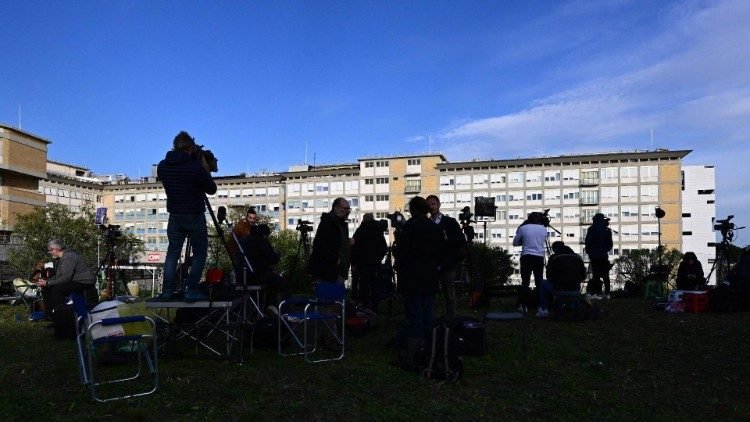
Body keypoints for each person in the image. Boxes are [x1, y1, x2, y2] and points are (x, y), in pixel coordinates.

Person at [154, 131, 217, 302]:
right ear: (190, 147)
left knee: (172, 253)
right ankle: (192, 290)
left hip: (175, 216)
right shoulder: (195, 167)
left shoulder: (163, 166)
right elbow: (211, 189)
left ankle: (167, 291)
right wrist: (203, 166)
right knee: (200, 253)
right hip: (194, 215)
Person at [394, 196, 445, 355]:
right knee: (428, 312)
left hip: (412, 277)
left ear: (413, 209)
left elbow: (402, 252)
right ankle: (431, 345)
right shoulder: (435, 227)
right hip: (430, 277)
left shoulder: (409, 226)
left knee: (415, 313)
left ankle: (415, 349)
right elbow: (440, 252)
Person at [426, 195, 466, 318]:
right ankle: (431, 318)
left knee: (449, 292)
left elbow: (461, 240)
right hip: (431, 263)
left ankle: (451, 317)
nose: (431, 207)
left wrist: (446, 240)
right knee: (430, 293)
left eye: (433, 204)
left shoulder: (450, 222)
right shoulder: (426, 224)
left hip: (448, 263)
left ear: (439, 205)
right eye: (429, 205)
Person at [237, 221, 291, 314]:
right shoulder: (262, 240)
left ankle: (270, 307)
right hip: (258, 275)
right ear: (266, 234)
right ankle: (285, 313)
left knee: (271, 281)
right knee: (285, 284)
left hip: (243, 276)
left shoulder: (244, 240)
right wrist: (277, 255)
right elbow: (273, 259)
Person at [35, 240, 96, 313]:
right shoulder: (61, 259)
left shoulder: (69, 257)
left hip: (85, 281)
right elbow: (59, 276)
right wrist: (46, 282)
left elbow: (66, 278)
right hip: (76, 280)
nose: (49, 253)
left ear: (55, 250)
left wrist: (48, 283)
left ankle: (60, 313)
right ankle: (50, 314)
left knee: (58, 289)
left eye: (49, 250)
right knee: (47, 288)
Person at [308, 197, 352, 284]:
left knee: (336, 295)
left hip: (338, 271)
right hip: (327, 271)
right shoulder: (328, 223)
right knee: (327, 295)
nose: (347, 212)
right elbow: (320, 246)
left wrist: (347, 242)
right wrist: (336, 259)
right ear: (336, 208)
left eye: (348, 209)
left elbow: (339, 242)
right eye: (345, 209)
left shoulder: (341, 224)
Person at [350, 213, 388, 311]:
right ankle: (374, 307)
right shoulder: (378, 231)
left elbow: (354, 248)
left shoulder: (360, 231)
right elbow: (384, 248)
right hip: (375, 264)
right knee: (375, 285)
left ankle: (365, 306)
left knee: (364, 285)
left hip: (362, 264)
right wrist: (379, 258)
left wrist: (354, 262)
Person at [513, 212, 548, 314]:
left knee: (525, 281)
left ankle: (524, 305)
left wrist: (523, 241)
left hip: (526, 256)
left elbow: (515, 243)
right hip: (539, 257)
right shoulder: (543, 229)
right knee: (539, 282)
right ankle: (539, 305)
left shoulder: (523, 228)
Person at [585, 213, 614, 299]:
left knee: (596, 275)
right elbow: (610, 245)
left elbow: (588, 242)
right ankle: (607, 293)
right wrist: (604, 250)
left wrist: (590, 251)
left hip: (594, 256)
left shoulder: (591, 229)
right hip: (603, 256)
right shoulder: (607, 230)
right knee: (605, 275)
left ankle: (597, 292)